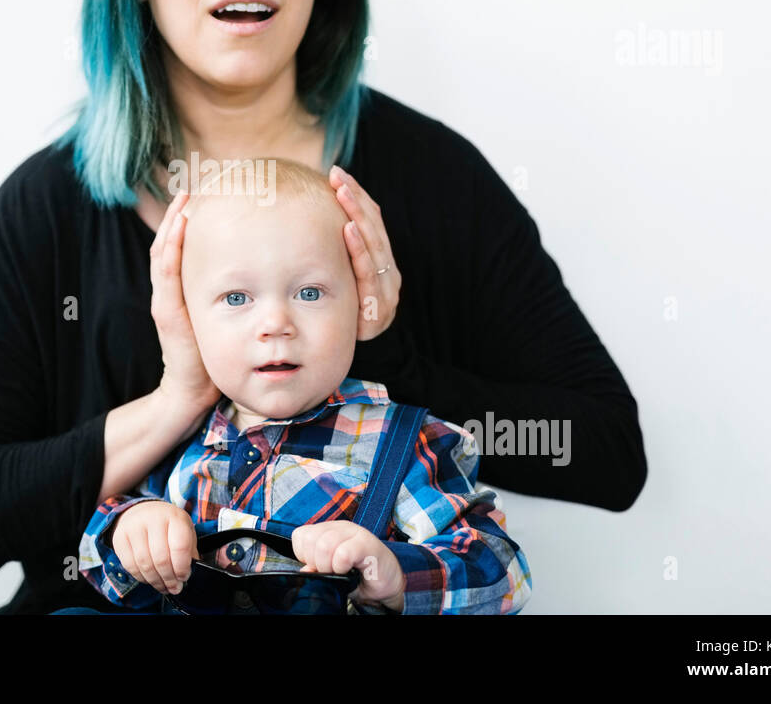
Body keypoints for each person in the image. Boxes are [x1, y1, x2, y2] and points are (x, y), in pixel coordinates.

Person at [0, 0, 647, 616]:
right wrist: (176, 402)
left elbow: (607, 454)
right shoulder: (47, 208)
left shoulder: (431, 177)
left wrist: (384, 356)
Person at [72, 158, 533, 614]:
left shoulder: (408, 444)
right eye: (236, 298)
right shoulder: (187, 441)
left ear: (361, 303)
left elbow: (504, 573)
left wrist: (393, 572)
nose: (276, 323)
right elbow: (98, 550)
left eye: (309, 293)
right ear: (187, 319)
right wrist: (134, 529)